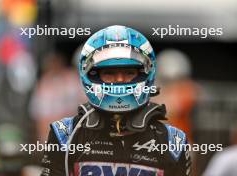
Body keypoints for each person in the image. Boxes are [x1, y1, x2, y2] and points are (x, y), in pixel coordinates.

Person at [40, 25, 192, 176]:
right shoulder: (65, 135)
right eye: (109, 73)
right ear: (91, 75)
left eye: (129, 72)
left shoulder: (173, 142)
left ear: (146, 73)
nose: (119, 80)